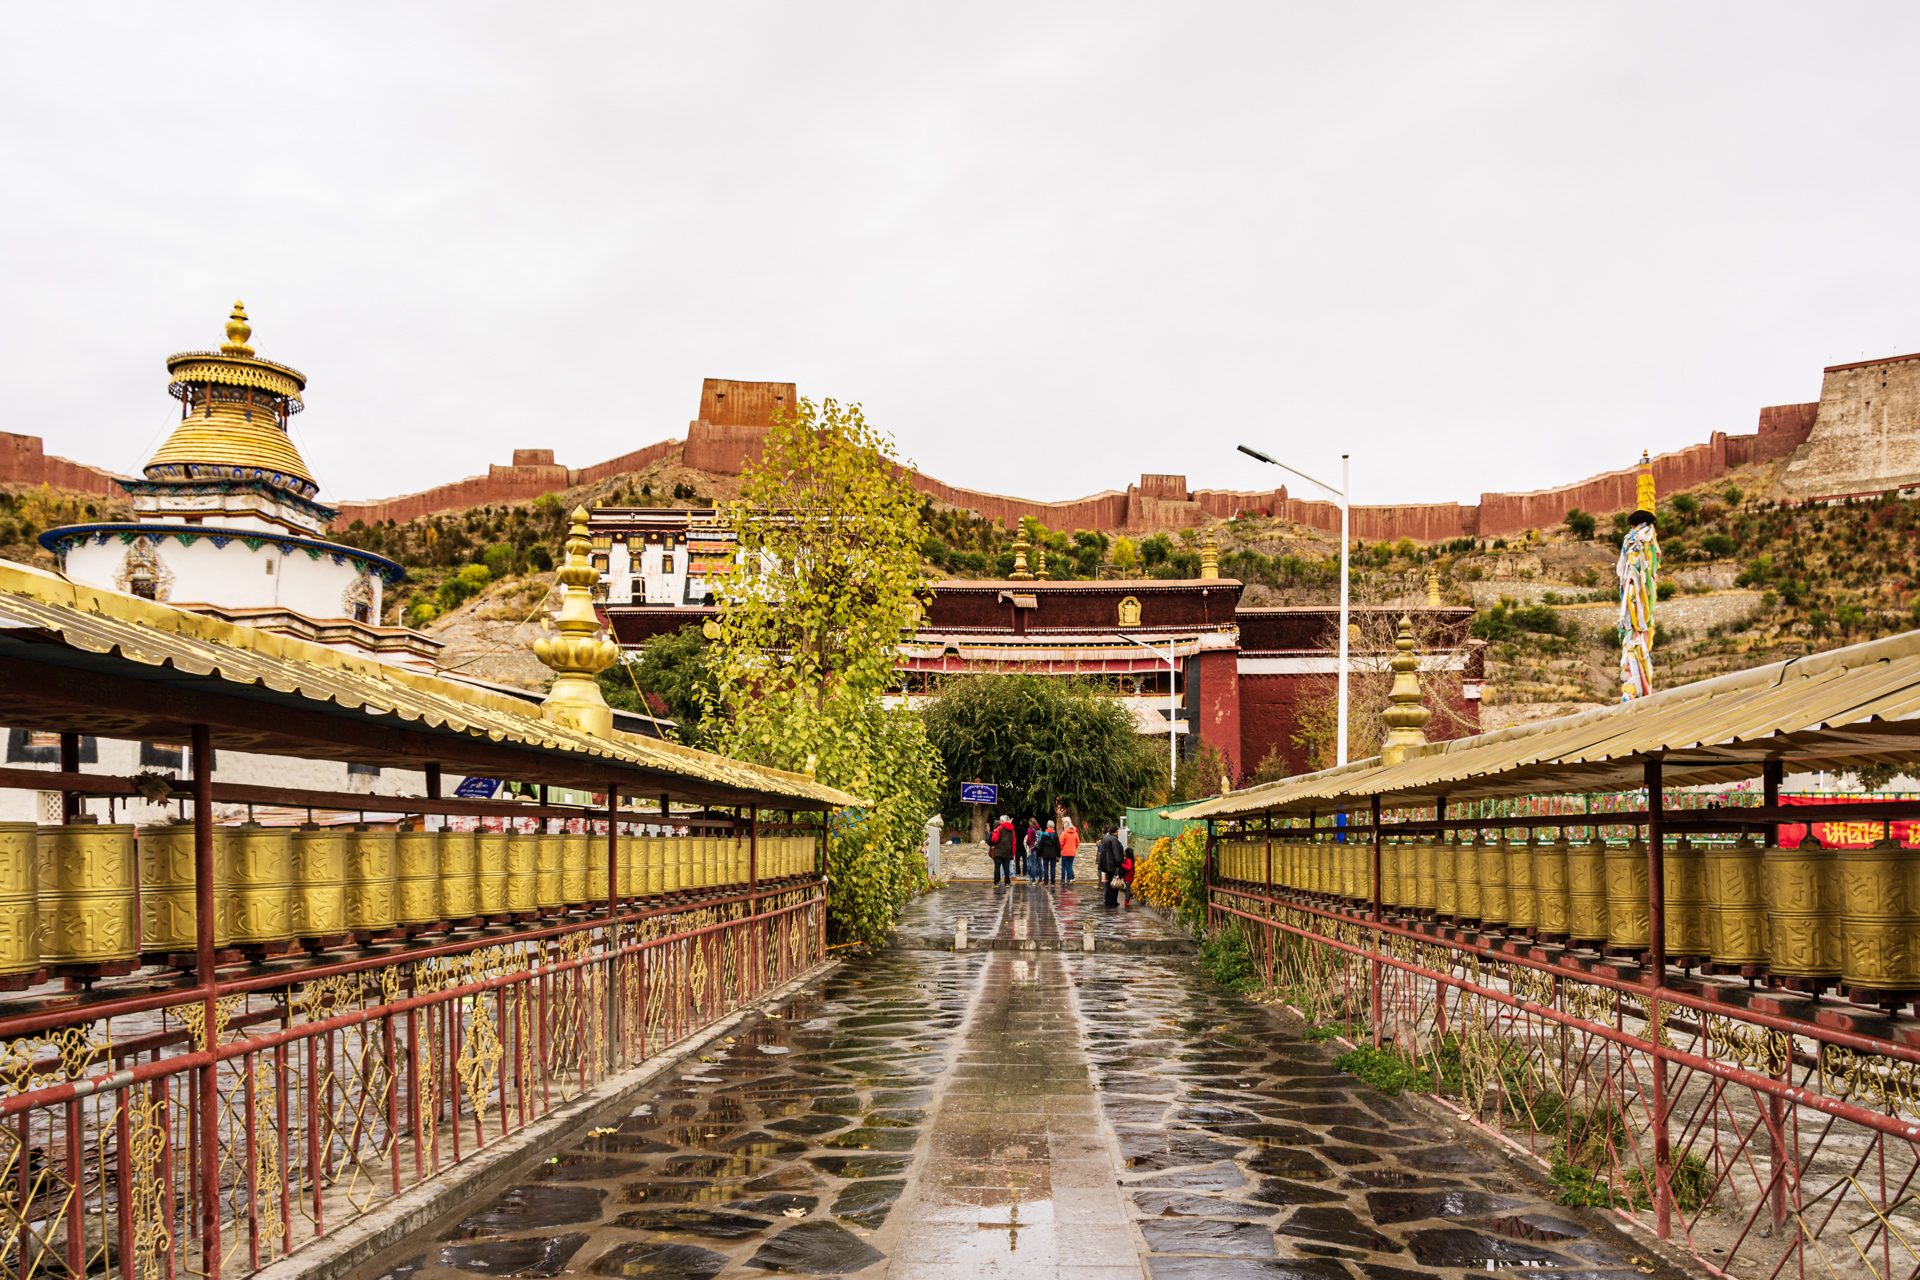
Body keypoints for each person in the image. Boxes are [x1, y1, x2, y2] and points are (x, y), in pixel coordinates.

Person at [1097, 824, 1123, 908]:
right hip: (1112, 865)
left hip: (1105, 864)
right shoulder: (1114, 839)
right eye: (1117, 831)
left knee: (1107, 883)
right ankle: (1112, 901)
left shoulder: (1105, 838)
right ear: (1115, 831)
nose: (1118, 832)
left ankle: (1107, 900)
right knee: (1113, 884)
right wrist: (1118, 863)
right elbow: (1116, 853)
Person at [989, 814, 1016, 886]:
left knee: (997, 867)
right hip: (1008, 851)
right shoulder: (1012, 830)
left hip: (999, 851)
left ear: (1002, 821)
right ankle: (1007, 882)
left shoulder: (999, 828)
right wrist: (1012, 853)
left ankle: (996, 882)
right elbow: (1014, 843)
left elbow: (994, 839)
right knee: (1006, 867)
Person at [1037, 822, 1061, 886]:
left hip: (1045, 854)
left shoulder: (1044, 835)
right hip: (1053, 854)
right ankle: (1053, 882)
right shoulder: (1055, 835)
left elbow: (1040, 845)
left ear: (1047, 826)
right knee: (1053, 868)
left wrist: (1039, 854)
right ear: (1053, 826)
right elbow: (1058, 846)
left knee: (1045, 868)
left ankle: (1045, 882)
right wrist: (1059, 855)